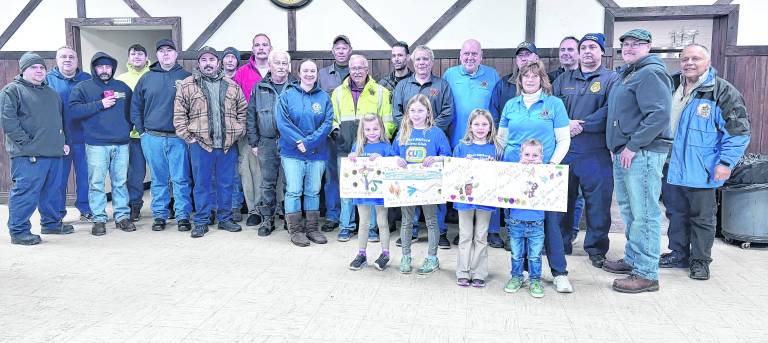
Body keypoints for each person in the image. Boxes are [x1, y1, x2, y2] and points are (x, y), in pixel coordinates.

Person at [661, 44, 750, 280]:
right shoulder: (672, 85)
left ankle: (700, 261)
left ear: (708, 62)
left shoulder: (722, 92)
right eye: (685, 59)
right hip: (671, 165)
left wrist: (725, 163)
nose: (689, 63)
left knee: (702, 218)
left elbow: (739, 132)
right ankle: (678, 253)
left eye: (696, 58)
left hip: (703, 168)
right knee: (675, 213)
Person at [603, 29, 673, 293]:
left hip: (641, 153)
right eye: (626, 44)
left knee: (644, 212)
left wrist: (632, 145)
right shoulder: (629, 73)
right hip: (625, 151)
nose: (629, 47)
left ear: (649, 46)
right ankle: (633, 258)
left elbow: (659, 115)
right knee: (630, 210)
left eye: (637, 44)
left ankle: (646, 273)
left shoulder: (650, 72)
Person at [498, 60, 573, 293]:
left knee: (550, 224)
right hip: (513, 174)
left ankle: (559, 273)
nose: (530, 80)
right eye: (525, 76)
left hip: (544, 176)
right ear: (519, 80)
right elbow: (501, 140)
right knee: (516, 226)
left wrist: (551, 165)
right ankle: (521, 273)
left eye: (535, 76)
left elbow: (563, 139)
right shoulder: (511, 105)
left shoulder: (554, 104)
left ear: (542, 80)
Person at [551, 33, 618, 267]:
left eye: (593, 47)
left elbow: (612, 109)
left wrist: (582, 125)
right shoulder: (563, 79)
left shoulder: (612, 78)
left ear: (601, 51)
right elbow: (552, 104)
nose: (588, 51)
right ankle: (561, 242)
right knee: (561, 201)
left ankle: (596, 249)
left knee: (597, 203)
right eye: (584, 47)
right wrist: (565, 124)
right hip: (565, 149)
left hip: (595, 151)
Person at [174, 46, 247, 238]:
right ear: (198, 63)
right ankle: (201, 220)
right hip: (200, 144)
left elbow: (243, 111)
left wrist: (238, 131)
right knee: (201, 184)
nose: (208, 63)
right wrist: (188, 136)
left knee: (226, 183)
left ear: (218, 62)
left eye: (212, 59)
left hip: (227, 145)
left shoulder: (232, 85)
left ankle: (225, 218)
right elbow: (179, 114)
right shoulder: (187, 85)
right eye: (204, 60)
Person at [1, 52, 70, 244]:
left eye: (41, 67)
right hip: (28, 155)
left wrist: (62, 142)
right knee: (26, 193)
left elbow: (58, 121)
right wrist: (27, 145)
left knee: (52, 192)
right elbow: (9, 122)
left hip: (53, 152)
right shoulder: (11, 91)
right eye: (33, 67)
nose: (39, 71)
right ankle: (19, 231)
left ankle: (51, 223)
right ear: (23, 70)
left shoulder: (51, 94)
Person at [391, 45, 453, 248]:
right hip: (409, 141)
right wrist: (411, 128)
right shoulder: (402, 86)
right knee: (410, 194)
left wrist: (430, 130)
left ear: (432, 62)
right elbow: (397, 112)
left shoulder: (441, 85)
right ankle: (413, 231)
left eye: (426, 59)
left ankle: (441, 232)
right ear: (412, 61)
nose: (422, 63)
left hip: (432, 143)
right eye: (418, 59)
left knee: (434, 194)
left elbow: (447, 111)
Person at [444, 39, 502, 248]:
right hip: (459, 141)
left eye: (474, 54)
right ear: (460, 55)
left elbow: (494, 107)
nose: (470, 57)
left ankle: (493, 230)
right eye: (466, 54)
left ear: (481, 55)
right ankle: (464, 232)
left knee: (489, 184)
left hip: (485, 141)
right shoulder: (450, 75)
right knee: (465, 185)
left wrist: (493, 137)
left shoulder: (492, 75)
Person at [69, 52, 135, 235]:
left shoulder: (122, 87)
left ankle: (122, 216)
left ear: (112, 68)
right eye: (100, 67)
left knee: (120, 182)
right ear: (94, 68)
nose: (104, 70)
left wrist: (126, 129)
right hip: (96, 144)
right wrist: (100, 104)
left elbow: (132, 110)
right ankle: (99, 219)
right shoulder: (83, 88)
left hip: (121, 143)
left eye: (107, 67)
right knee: (97, 183)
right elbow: (73, 110)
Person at [131, 38, 193, 232]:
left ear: (176, 54)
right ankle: (160, 215)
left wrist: (189, 133)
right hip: (153, 137)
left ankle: (183, 215)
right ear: (156, 55)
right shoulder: (147, 78)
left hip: (179, 138)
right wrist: (142, 133)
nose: (166, 54)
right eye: (162, 51)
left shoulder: (187, 77)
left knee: (181, 178)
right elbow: (135, 107)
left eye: (170, 50)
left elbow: (196, 107)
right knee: (158, 179)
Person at [331, 54, 394, 242]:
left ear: (368, 69)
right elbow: (332, 119)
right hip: (347, 150)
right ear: (348, 70)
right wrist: (337, 135)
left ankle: (372, 228)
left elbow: (389, 121)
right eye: (353, 68)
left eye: (361, 68)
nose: (357, 71)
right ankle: (346, 226)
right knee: (347, 189)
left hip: (373, 151)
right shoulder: (337, 92)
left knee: (372, 189)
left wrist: (380, 143)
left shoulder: (381, 92)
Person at [275, 59, 334, 247]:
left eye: (313, 71)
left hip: (317, 152)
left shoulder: (324, 97)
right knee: (293, 191)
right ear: (298, 73)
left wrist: (308, 143)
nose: (309, 74)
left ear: (317, 74)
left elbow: (327, 123)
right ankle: (296, 230)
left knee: (313, 191)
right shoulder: (287, 96)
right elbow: (282, 123)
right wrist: (298, 141)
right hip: (292, 152)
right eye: (306, 71)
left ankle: (312, 229)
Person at [393, 94, 451, 275]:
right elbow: (392, 155)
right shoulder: (402, 132)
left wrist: (436, 159)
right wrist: (396, 159)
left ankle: (432, 258)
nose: (416, 114)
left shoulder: (435, 133)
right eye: (412, 110)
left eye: (420, 110)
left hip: (429, 185)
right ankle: (406, 256)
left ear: (428, 112)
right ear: (407, 113)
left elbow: (448, 157)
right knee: (407, 221)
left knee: (432, 221)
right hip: (406, 185)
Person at [247, 49, 295, 236]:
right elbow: (251, 116)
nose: (281, 67)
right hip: (266, 142)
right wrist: (254, 142)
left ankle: (290, 219)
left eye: (284, 63)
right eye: (277, 63)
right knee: (267, 183)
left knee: (291, 183)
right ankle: (268, 220)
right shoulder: (259, 87)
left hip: (290, 143)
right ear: (270, 65)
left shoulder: (295, 86)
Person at [453, 109, 502, 288]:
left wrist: (493, 166)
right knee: (465, 235)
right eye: (476, 124)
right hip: (465, 199)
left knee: (481, 235)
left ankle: (479, 272)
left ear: (490, 127)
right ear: (470, 127)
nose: (480, 128)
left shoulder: (495, 148)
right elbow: (454, 173)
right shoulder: (461, 147)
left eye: (484, 124)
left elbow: (501, 174)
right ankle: (463, 272)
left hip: (485, 199)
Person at [46, 46, 92, 222]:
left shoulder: (87, 79)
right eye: (63, 57)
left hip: (84, 137)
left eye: (71, 57)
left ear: (77, 60)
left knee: (85, 177)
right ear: (57, 60)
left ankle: (86, 209)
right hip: (59, 139)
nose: (67, 60)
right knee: (59, 179)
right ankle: (57, 212)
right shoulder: (48, 80)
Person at [347, 114, 396, 271]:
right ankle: (361, 254)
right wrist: (352, 156)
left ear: (381, 128)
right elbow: (352, 162)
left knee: (382, 222)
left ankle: (385, 254)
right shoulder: (358, 146)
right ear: (362, 130)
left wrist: (382, 158)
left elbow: (395, 163)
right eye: (368, 129)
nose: (372, 132)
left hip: (381, 192)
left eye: (375, 128)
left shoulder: (386, 147)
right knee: (364, 223)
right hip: (362, 190)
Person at [234, 34, 272, 226]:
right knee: (250, 171)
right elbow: (233, 102)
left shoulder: (278, 69)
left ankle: (275, 208)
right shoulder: (241, 73)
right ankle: (254, 210)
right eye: (257, 45)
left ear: (270, 48)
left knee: (275, 170)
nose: (261, 48)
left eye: (265, 45)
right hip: (249, 129)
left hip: (274, 130)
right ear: (252, 48)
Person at [503, 139, 547, 298]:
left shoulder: (546, 174)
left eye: (535, 155)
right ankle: (516, 277)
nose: (530, 158)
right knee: (516, 254)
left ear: (541, 156)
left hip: (537, 222)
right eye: (527, 154)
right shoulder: (514, 172)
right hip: (516, 221)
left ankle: (535, 280)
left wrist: (541, 169)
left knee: (535, 255)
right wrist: (519, 169)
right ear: (520, 155)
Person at [319, 35, 353, 233]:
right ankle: (333, 215)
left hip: (354, 135)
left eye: (344, 47)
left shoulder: (357, 71)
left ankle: (351, 217)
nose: (341, 51)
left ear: (350, 50)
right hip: (329, 136)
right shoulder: (323, 75)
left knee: (353, 176)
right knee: (332, 177)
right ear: (332, 51)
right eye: (337, 48)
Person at [116, 43, 151, 222]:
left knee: (163, 172)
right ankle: (134, 206)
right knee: (135, 173)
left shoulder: (153, 75)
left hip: (154, 133)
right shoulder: (121, 79)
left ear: (147, 58)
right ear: (128, 58)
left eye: (140, 54)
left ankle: (168, 205)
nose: (136, 57)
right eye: (133, 54)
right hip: (132, 136)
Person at [218, 46, 246, 222]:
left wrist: (239, 129)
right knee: (215, 173)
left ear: (237, 61)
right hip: (214, 135)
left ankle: (235, 206)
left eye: (233, 58)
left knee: (235, 173)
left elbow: (243, 108)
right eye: (226, 57)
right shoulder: (214, 79)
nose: (229, 60)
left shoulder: (240, 79)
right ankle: (217, 207)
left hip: (235, 135)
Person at [490, 41, 539, 124]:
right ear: (516, 60)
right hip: (509, 135)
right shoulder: (503, 84)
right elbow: (493, 113)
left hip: (536, 135)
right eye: (520, 55)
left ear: (537, 58)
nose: (523, 58)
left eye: (527, 54)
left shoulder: (545, 83)